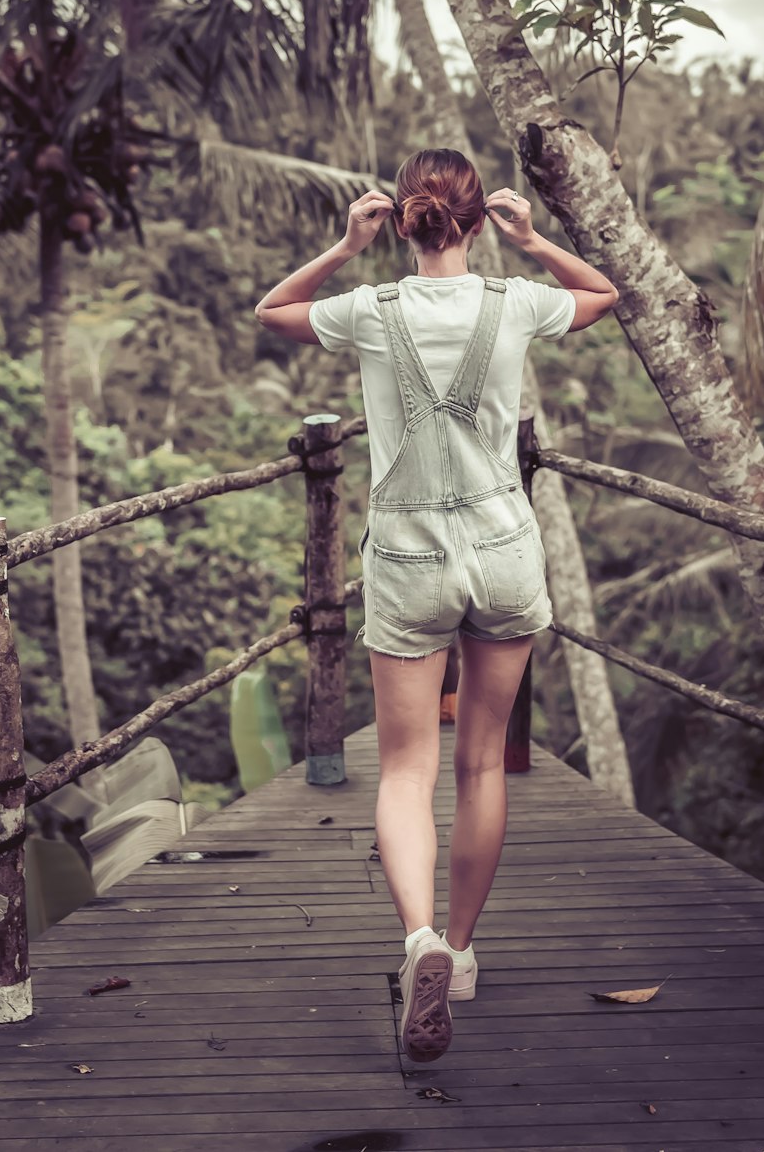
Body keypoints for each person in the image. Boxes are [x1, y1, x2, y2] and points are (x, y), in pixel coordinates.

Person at [254, 149, 618, 1064]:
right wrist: (534, 241)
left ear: (407, 221)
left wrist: (343, 247)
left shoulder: (372, 312)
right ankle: (457, 953)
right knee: (482, 765)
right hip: (501, 550)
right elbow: (605, 293)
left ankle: (415, 937)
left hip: (410, 554)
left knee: (406, 769)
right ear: (471, 221)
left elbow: (273, 311)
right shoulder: (517, 302)